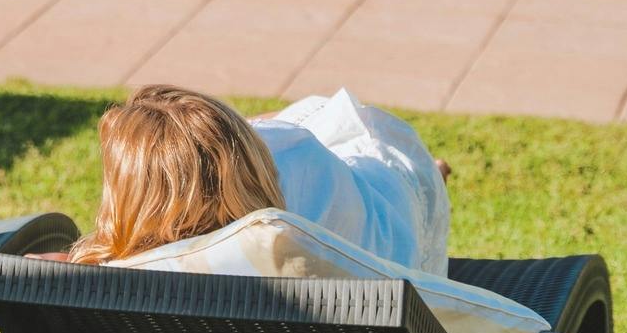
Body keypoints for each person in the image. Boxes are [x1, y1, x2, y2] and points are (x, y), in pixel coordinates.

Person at [67, 84, 451, 270]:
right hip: (371, 191)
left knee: (290, 129)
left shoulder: (125, 272)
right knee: (304, 130)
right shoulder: (298, 239)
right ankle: (431, 175)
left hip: (366, 179)